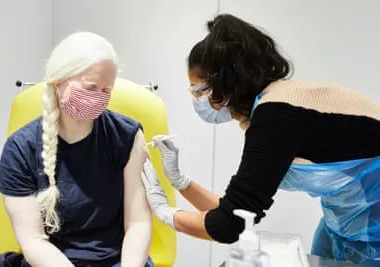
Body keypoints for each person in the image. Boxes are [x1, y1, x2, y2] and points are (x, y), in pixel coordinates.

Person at [141, 13, 380, 264]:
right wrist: (180, 181)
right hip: (345, 220)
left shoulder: (277, 116)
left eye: (200, 91)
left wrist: (164, 212)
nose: (198, 101)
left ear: (227, 82)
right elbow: (238, 210)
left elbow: (230, 224)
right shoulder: (271, 109)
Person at [0, 32, 154, 267]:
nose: (98, 98)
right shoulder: (20, 149)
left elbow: (139, 224)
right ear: (59, 82)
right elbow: (33, 240)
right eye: (90, 87)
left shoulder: (128, 137)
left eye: (106, 91)